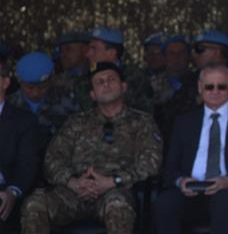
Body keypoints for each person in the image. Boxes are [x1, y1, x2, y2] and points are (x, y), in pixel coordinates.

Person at [19, 62, 163, 234]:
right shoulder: (76, 122)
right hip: (73, 192)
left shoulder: (142, 122)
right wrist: (74, 182)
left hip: (115, 191)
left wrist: (111, 182)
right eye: (99, 82)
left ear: (123, 87)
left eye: (111, 79)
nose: (106, 84)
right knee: (34, 204)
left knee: (118, 207)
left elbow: (151, 163)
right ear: (92, 94)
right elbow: (52, 159)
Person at [154, 63, 228, 233]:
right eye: (209, 87)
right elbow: (169, 166)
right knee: (165, 202)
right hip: (191, 191)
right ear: (200, 88)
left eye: (221, 86)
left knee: (223, 199)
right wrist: (181, 181)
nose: (215, 91)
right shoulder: (185, 121)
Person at [7, 52, 80, 159]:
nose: (35, 93)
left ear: (51, 79)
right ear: (19, 81)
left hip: (58, 163)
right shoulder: (9, 105)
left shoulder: (67, 102)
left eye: (42, 87)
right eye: (29, 87)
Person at [0, 59, 40, 234]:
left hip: (5, 192)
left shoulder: (24, 121)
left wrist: (12, 191)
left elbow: (27, 165)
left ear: (5, 82)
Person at [77, 27, 154, 113]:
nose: (88, 54)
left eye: (94, 49)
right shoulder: (85, 78)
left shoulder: (135, 77)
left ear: (111, 53)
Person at [51, 30, 90, 100]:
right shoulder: (57, 81)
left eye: (68, 49)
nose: (63, 55)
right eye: (61, 50)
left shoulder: (98, 75)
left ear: (85, 50)